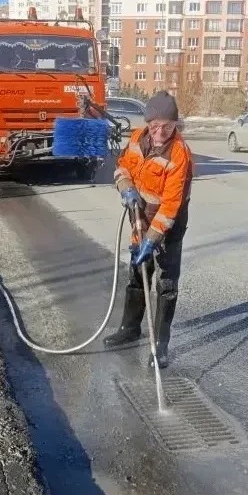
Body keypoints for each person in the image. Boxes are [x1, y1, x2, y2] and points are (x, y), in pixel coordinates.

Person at [103, 91, 194, 368]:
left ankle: (160, 346)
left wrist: (153, 240)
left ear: (175, 125)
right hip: (139, 217)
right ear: (148, 122)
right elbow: (122, 168)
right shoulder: (137, 138)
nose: (160, 132)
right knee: (137, 275)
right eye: (155, 125)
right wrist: (126, 188)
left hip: (168, 224)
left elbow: (170, 205)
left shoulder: (179, 154)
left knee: (165, 284)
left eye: (167, 126)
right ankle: (130, 329)